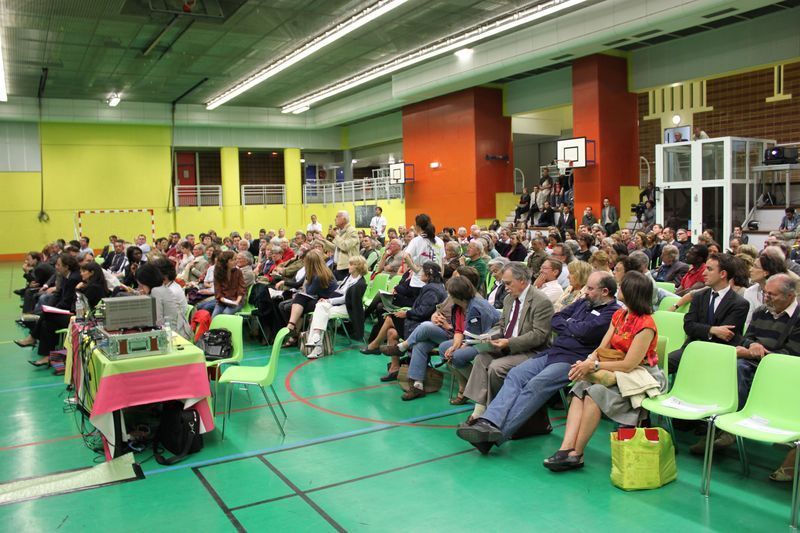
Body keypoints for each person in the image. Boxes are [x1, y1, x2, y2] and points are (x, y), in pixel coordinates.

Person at [455, 272, 620, 453]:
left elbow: (587, 331)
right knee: (515, 374)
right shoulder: (583, 302)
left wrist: (570, 324)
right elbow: (556, 320)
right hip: (553, 353)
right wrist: (573, 326)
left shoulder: (613, 312)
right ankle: (488, 422)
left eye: (590, 288)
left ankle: (495, 436)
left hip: (575, 360)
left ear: (605, 291)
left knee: (536, 385)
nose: (585, 292)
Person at [544, 271, 666, 472]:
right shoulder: (619, 315)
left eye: (622, 285)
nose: (618, 287)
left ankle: (577, 453)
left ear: (631, 292)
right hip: (614, 367)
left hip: (640, 374)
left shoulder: (646, 325)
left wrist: (594, 366)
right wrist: (588, 361)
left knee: (594, 394)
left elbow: (629, 364)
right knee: (579, 388)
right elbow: (602, 347)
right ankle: (566, 448)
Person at [695, 275, 800, 456]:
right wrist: (751, 345)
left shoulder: (797, 319)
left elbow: (790, 356)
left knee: (738, 368)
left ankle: (728, 428)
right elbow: (746, 338)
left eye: (772, 295)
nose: (766, 298)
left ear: (790, 296)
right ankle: (713, 423)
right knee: (722, 366)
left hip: (782, 370)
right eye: (765, 293)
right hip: (752, 360)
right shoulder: (760, 311)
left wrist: (753, 353)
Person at [459, 263, 554, 421]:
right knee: (481, 359)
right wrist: (490, 335)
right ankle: (481, 409)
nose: (506, 287)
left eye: (508, 283)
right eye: (504, 283)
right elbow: (501, 325)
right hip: (507, 347)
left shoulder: (541, 301)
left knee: (496, 367)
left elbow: (539, 335)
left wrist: (509, 342)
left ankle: (495, 413)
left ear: (522, 281)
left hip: (532, 351)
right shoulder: (509, 299)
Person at [667, 253, 750, 373]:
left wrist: (702, 329)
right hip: (692, 349)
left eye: (709, 269)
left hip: (717, 354)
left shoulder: (740, 303)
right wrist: (712, 330)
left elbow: (726, 335)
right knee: (662, 363)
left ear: (723, 274)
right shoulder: (699, 296)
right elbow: (689, 326)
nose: (703, 273)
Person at [19, 258, 107, 366]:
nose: (81, 274)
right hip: (79, 315)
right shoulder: (89, 285)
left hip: (85, 320)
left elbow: (79, 304)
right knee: (48, 324)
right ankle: (47, 356)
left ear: (92, 273)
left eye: (84, 271)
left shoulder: (94, 287)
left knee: (47, 314)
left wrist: (77, 290)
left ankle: (33, 338)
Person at [304, 255, 368, 359]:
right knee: (320, 307)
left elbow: (345, 299)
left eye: (351, 264)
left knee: (320, 311)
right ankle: (316, 341)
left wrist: (329, 300)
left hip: (349, 308)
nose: (348, 266)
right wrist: (328, 300)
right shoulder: (349, 277)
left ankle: (317, 345)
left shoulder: (360, 284)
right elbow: (339, 291)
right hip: (339, 304)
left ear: (357, 266)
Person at [282, 249, 339, 347]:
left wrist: (307, 279)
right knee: (289, 303)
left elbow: (308, 291)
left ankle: (293, 330)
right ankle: (294, 331)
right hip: (320, 298)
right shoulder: (319, 271)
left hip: (328, 302)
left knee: (295, 303)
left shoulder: (318, 276)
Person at [135, 258, 192, 339]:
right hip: (174, 331)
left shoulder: (157, 291)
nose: (140, 289)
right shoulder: (160, 289)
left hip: (176, 336)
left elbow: (157, 322)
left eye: (141, 286)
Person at [319, 211, 359, 280]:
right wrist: (323, 240)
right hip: (339, 266)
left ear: (344, 219)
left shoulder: (352, 231)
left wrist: (335, 236)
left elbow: (345, 246)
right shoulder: (341, 231)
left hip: (347, 267)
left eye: (337, 216)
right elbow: (336, 249)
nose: (335, 219)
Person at [209, 250, 247, 318]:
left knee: (225, 314)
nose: (236, 261)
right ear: (226, 262)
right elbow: (218, 292)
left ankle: (225, 328)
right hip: (223, 301)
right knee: (214, 318)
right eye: (233, 260)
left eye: (236, 259)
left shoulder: (238, 272)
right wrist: (225, 301)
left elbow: (241, 289)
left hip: (237, 300)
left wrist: (237, 302)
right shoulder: (217, 272)